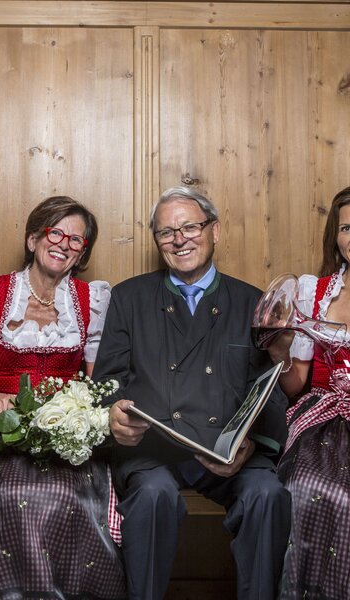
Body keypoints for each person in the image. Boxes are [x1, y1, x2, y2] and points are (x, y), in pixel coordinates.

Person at [92, 186, 291, 600]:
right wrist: (113, 417)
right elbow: (106, 383)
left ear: (214, 231)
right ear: (157, 242)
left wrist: (251, 446)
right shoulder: (129, 298)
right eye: (166, 233)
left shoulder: (252, 301)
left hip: (228, 452)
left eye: (189, 227)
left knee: (268, 495)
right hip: (154, 451)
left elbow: (270, 389)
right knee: (152, 497)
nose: (179, 239)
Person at [0, 196, 126, 599]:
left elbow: (95, 377)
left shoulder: (91, 302)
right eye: (55, 233)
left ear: (82, 253)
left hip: (66, 431)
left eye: (76, 240)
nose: (64, 244)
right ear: (33, 239)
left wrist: (82, 416)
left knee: (69, 496)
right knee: (4, 495)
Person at [267, 185, 350, 600]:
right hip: (321, 421)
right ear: (335, 236)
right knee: (310, 492)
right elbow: (295, 383)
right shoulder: (314, 292)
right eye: (347, 228)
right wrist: (281, 349)